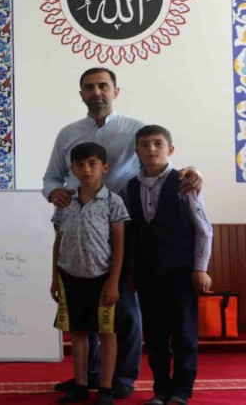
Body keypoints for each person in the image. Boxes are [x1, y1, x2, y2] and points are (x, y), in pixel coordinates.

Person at [43, 67, 202, 399]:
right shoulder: (67, 133)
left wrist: (191, 170)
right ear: (81, 94)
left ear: (115, 91)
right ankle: (87, 377)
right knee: (84, 309)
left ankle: (122, 377)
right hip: (79, 223)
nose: (96, 92)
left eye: (103, 86)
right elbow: (52, 178)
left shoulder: (135, 130)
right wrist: (53, 192)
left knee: (124, 308)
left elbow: (157, 159)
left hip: (124, 225)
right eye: (89, 87)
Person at [126, 125, 213, 405]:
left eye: (158, 143)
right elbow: (133, 232)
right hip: (148, 271)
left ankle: (181, 391)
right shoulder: (131, 186)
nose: (151, 149)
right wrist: (132, 272)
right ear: (137, 151)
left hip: (181, 271)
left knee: (184, 332)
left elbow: (203, 229)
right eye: (144, 144)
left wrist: (200, 268)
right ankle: (161, 389)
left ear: (170, 149)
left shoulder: (185, 181)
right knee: (155, 335)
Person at [51, 142, 128, 405]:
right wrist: (55, 278)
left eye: (92, 164)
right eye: (80, 165)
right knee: (78, 333)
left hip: (102, 278)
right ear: (72, 169)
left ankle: (105, 387)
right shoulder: (65, 202)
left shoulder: (113, 202)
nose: (86, 169)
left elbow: (119, 244)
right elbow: (58, 241)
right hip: (70, 275)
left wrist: (114, 281)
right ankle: (81, 385)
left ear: (104, 167)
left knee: (107, 334)